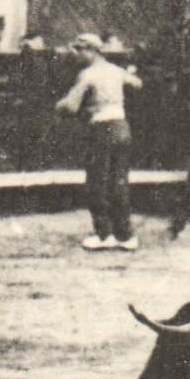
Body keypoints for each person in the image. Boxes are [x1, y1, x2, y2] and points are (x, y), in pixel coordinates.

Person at [56, 33, 142, 251]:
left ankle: (104, 234)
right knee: (119, 182)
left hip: (102, 130)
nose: (76, 56)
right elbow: (137, 84)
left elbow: (71, 107)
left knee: (97, 182)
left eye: (79, 51)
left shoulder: (87, 75)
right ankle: (126, 235)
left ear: (90, 51)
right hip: (122, 127)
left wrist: (60, 105)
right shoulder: (115, 70)